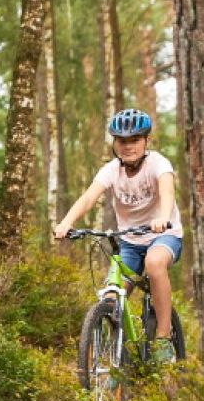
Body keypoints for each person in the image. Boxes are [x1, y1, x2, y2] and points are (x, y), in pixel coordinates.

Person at [52, 108, 184, 363]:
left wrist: (163, 217)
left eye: (135, 140)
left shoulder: (159, 164)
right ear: (114, 143)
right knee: (111, 298)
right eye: (122, 141)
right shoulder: (111, 170)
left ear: (147, 141)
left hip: (163, 236)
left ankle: (163, 339)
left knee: (155, 264)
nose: (128, 146)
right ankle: (112, 362)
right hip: (130, 242)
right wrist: (66, 223)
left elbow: (167, 191)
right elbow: (89, 197)